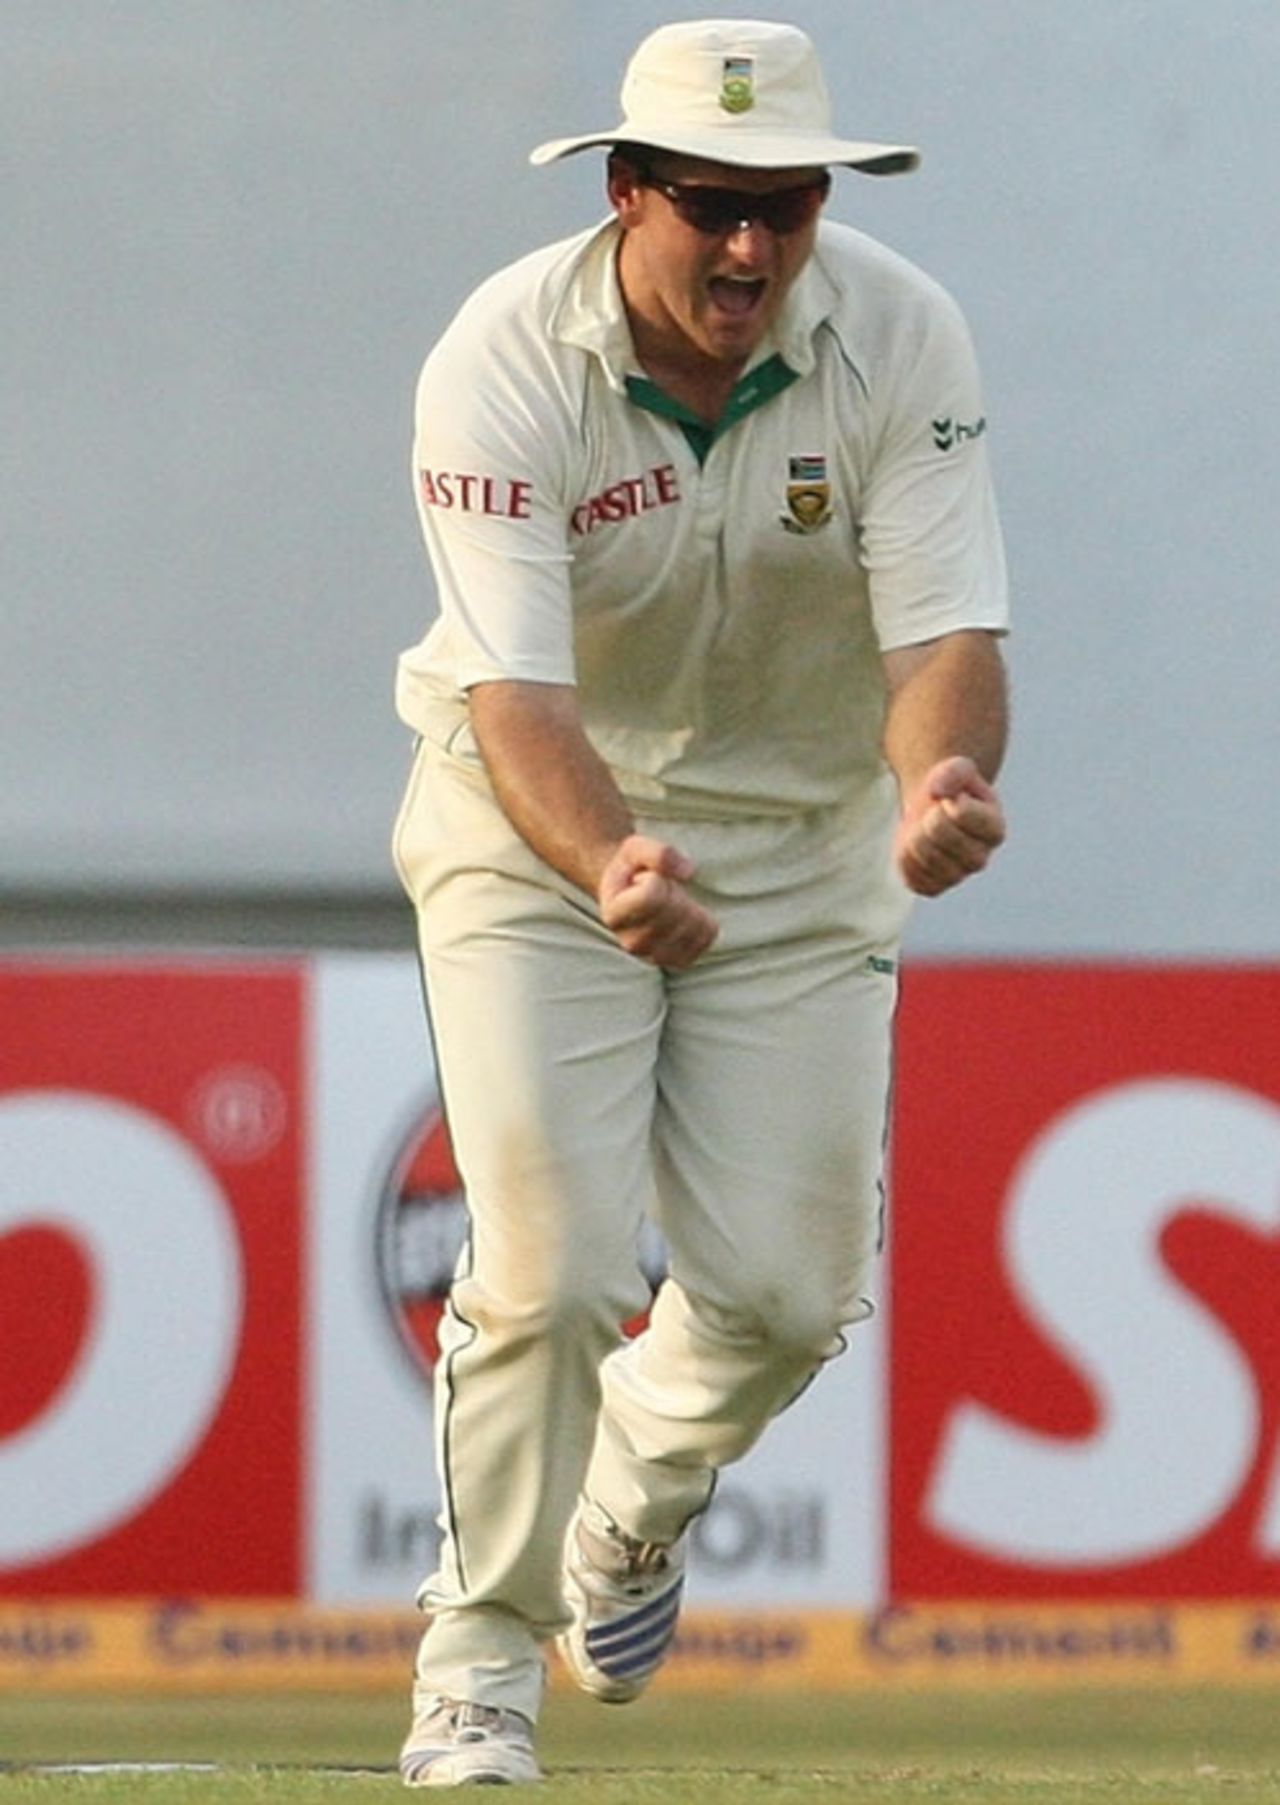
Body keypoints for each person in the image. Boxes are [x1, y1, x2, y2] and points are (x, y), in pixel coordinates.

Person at [391, 17, 1009, 1787]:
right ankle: (478, 1674)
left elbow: (948, 631)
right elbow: (517, 698)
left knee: (794, 1291)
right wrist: (610, 864)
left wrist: (938, 780)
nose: (753, 250)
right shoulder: (501, 355)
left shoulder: (906, 332)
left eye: (790, 205)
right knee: (551, 1264)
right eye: (714, 207)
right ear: (626, 189)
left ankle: (624, 1521)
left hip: (809, 834)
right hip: (535, 839)